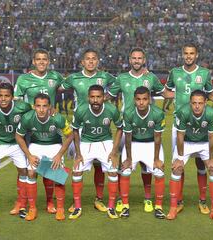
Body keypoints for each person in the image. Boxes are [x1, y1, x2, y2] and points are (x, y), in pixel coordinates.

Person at [107, 47, 173, 213]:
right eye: (134, 58)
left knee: (147, 166)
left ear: (144, 60)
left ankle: (148, 198)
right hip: (126, 127)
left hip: (147, 127)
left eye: (139, 58)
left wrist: (185, 93)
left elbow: (165, 94)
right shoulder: (121, 78)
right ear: (130, 60)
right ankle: (122, 199)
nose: (137, 61)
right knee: (124, 164)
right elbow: (107, 96)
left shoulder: (150, 77)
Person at [165, 43, 213, 215]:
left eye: (192, 53)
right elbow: (166, 91)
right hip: (181, 124)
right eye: (186, 53)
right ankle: (179, 201)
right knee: (178, 164)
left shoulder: (204, 73)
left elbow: (211, 95)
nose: (188, 56)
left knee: (202, 163)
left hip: (201, 125)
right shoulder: (174, 72)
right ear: (182, 54)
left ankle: (203, 200)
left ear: (196, 55)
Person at [60, 49, 116, 213]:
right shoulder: (74, 78)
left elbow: (119, 83)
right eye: (87, 59)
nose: (91, 62)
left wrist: (108, 97)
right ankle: (75, 200)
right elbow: (57, 87)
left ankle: (98, 199)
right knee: (77, 162)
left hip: (99, 124)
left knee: (100, 164)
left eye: (94, 59)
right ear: (82, 62)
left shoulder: (105, 76)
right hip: (80, 124)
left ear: (98, 61)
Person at [14, 48, 65, 214]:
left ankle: (50, 203)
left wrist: (55, 109)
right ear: (33, 61)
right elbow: (17, 103)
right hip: (31, 129)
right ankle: (21, 203)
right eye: (38, 59)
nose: (42, 62)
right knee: (26, 168)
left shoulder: (55, 77)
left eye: (45, 59)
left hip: (50, 128)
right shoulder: (23, 79)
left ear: (48, 61)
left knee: (50, 169)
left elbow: (68, 87)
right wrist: (29, 112)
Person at [166, 90, 213, 222]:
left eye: (200, 103)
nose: (197, 106)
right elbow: (180, 136)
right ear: (190, 103)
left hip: (204, 143)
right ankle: (173, 207)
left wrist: (212, 158)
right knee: (176, 168)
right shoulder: (183, 111)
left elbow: (212, 137)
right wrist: (180, 158)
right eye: (194, 103)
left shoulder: (211, 113)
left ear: (205, 103)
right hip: (186, 142)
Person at [15, 93, 73, 221]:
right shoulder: (27, 118)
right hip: (36, 145)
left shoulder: (57, 118)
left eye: (44, 106)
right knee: (31, 173)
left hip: (55, 145)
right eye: (38, 106)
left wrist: (59, 155)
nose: (41, 109)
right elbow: (18, 136)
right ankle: (32, 209)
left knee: (58, 176)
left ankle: (60, 209)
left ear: (49, 107)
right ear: (34, 106)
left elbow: (70, 136)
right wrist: (29, 155)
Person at [70, 85, 122, 219]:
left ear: (104, 97)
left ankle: (111, 207)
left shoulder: (111, 109)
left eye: (98, 97)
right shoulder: (81, 110)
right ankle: (77, 206)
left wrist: (114, 152)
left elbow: (120, 129)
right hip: (86, 142)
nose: (95, 100)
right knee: (76, 170)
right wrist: (78, 154)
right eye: (92, 97)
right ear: (88, 98)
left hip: (105, 142)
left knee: (113, 170)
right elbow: (75, 131)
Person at [0, 83, 31, 220]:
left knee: (24, 172)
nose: (3, 99)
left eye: (7, 96)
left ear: (12, 97)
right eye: (0, 96)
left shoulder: (23, 107)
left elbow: (35, 114)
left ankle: (22, 205)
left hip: (17, 143)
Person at [118, 86, 166, 219]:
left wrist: (156, 158)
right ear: (134, 100)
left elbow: (158, 138)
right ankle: (125, 206)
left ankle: (159, 207)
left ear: (150, 100)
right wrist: (128, 158)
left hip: (151, 144)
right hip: (134, 144)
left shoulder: (157, 113)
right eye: (138, 99)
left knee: (159, 171)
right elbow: (127, 137)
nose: (141, 102)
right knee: (125, 170)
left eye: (144, 99)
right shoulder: (128, 113)